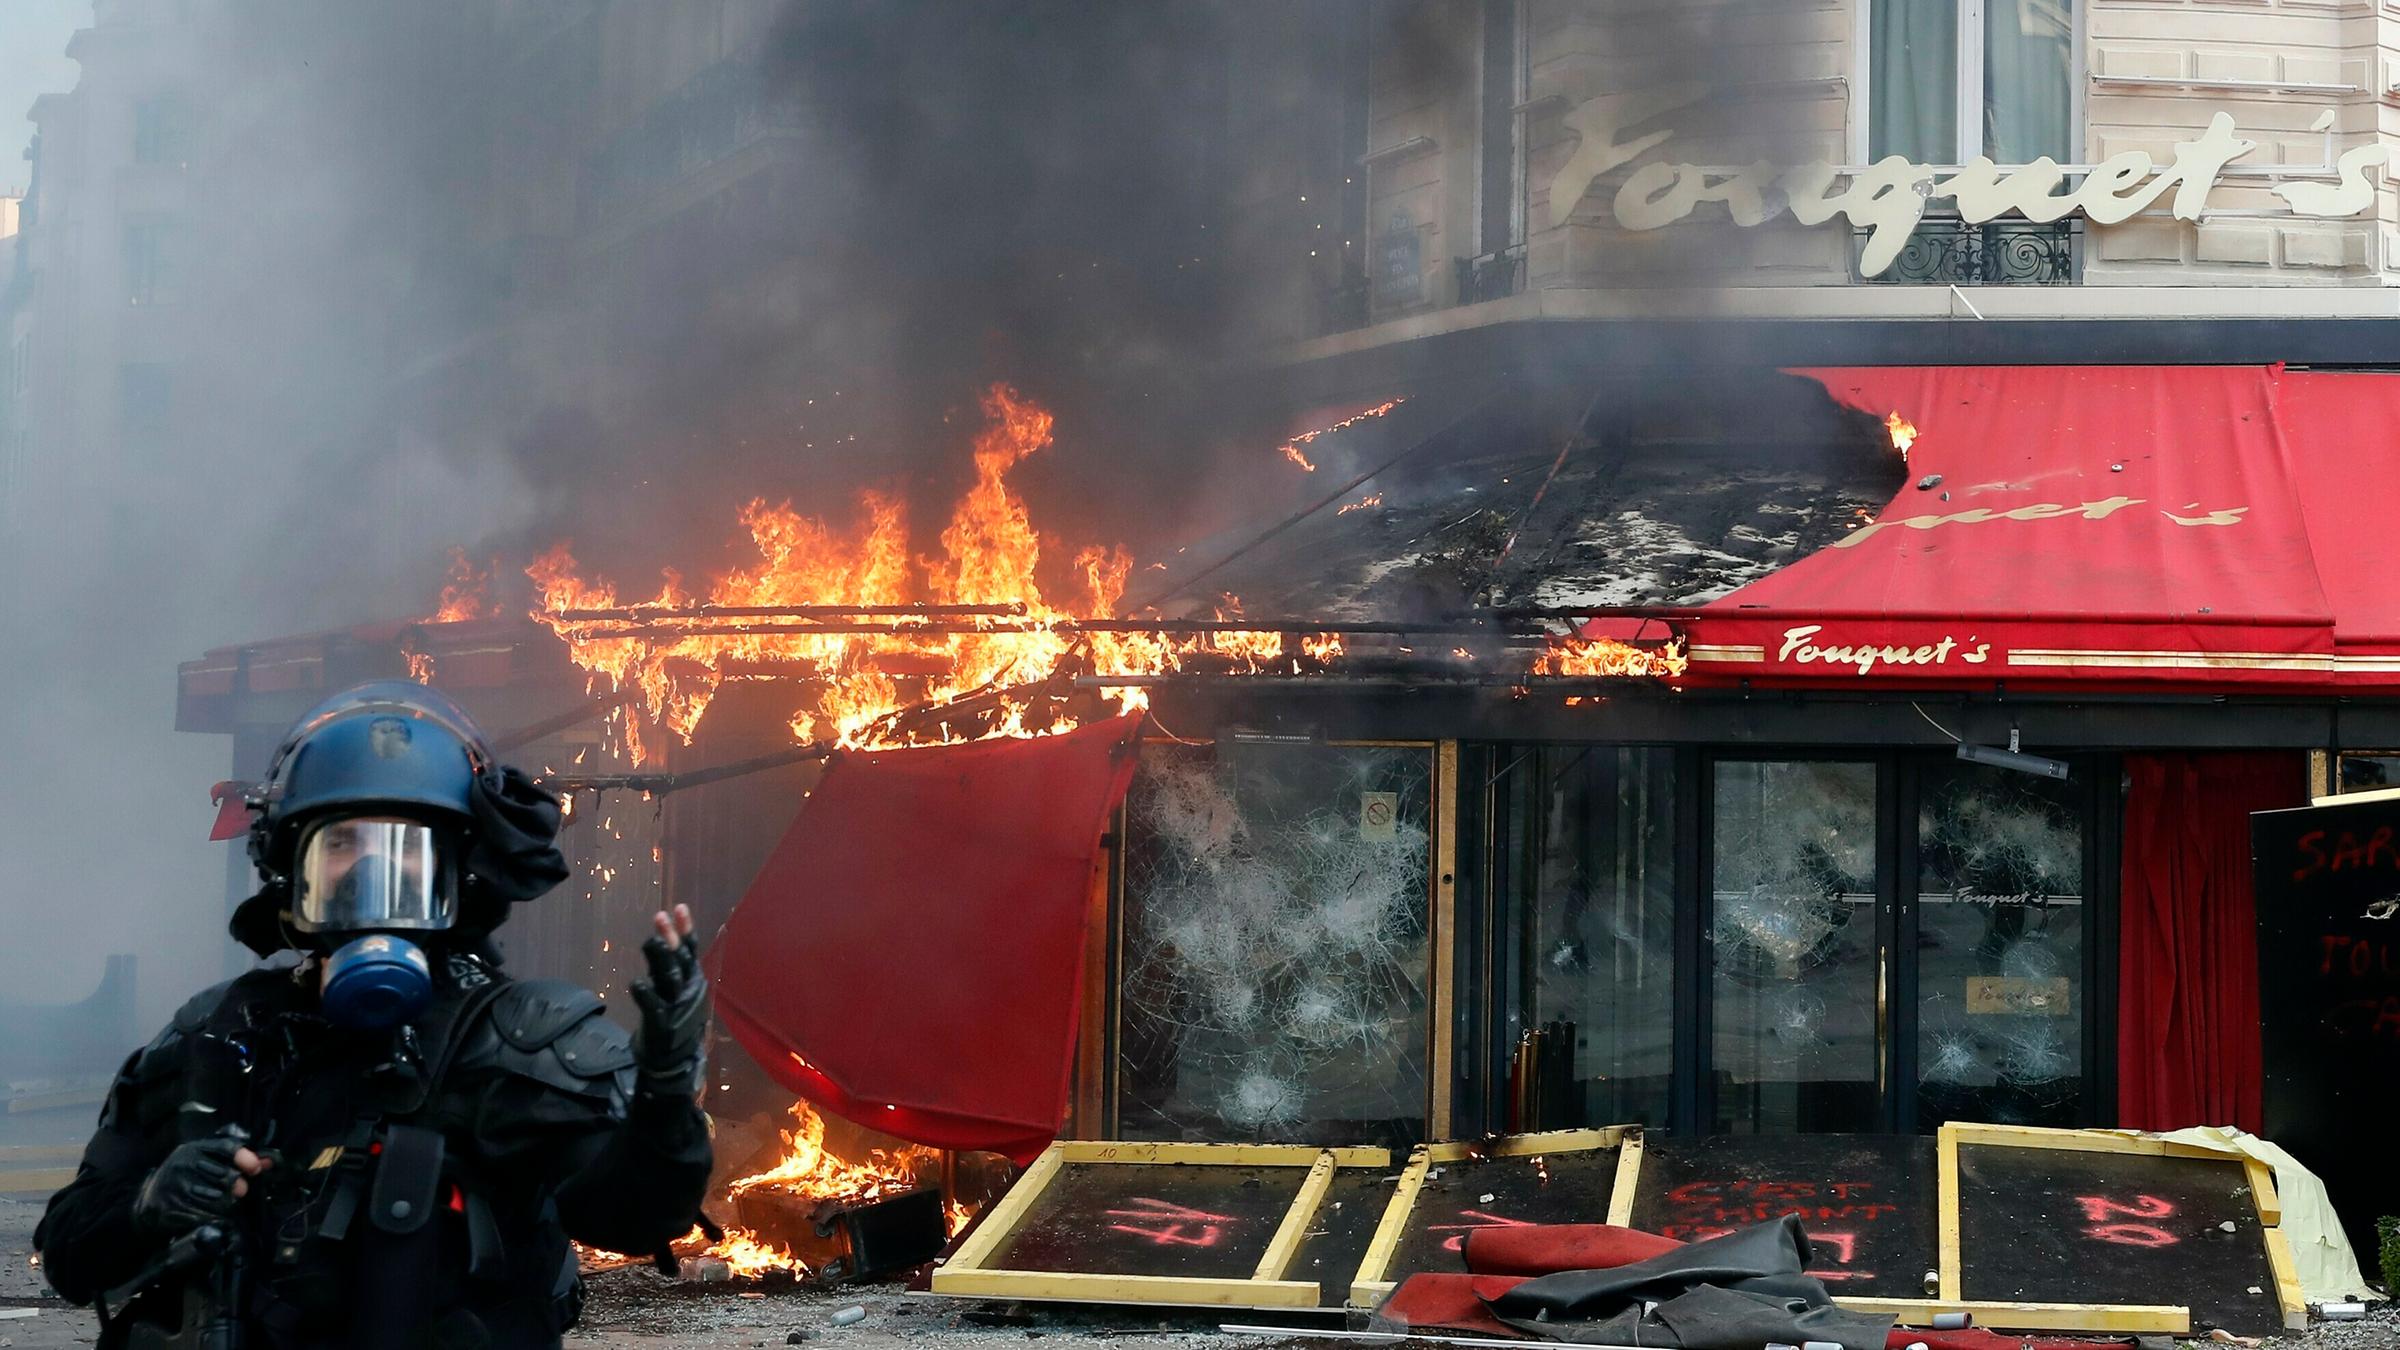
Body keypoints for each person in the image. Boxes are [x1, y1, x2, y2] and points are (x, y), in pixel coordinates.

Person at [35, 681, 716, 1350]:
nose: (369, 875)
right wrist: (149, 1202)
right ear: (292, 872)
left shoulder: (518, 1037)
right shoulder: (219, 1036)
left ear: (456, 874)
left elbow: (636, 1215)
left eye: (404, 853)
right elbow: (69, 1253)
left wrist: (664, 1090)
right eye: (340, 846)